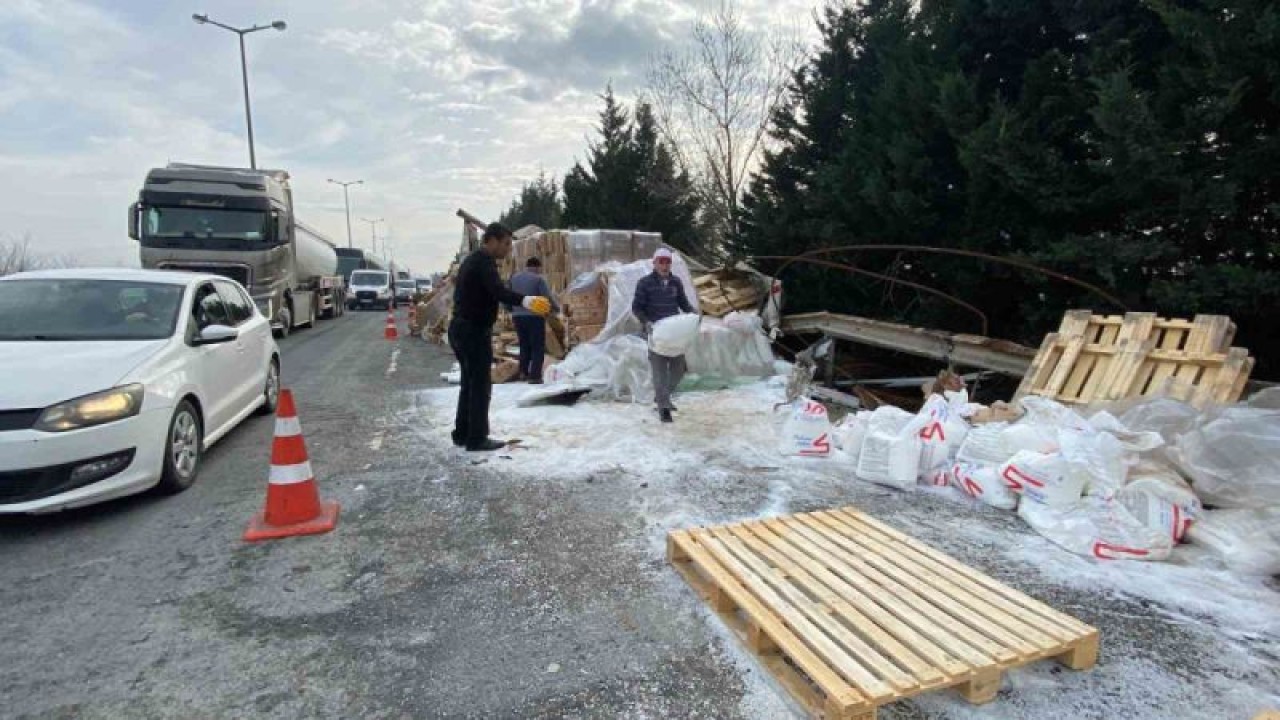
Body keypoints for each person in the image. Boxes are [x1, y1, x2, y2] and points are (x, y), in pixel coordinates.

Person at [449, 223, 551, 451]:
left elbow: (494, 292)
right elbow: (498, 291)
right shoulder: (484, 262)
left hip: (460, 328)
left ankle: (462, 433)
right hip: (473, 331)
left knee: (469, 383)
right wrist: (527, 301)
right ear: (492, 241)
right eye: (506, 244)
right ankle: (476, 438)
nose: (508, 249)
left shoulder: (472, 260)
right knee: (480, 386)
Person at [631, 247, 695, 423]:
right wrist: (647, 322)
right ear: (655, 263)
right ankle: (664, 409)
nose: (664, 265)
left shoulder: (676, 282)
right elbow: (636, 308)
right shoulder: (644, 283)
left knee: (678, 369)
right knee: (659, 372)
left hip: (674, 333)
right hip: (656, 334)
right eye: (661, 261)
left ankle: (662, 397)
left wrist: (693, 314)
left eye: (667, 262)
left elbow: (683, 303)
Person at [507, 257, 560, 383]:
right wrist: (556, 309)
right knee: (537, 346)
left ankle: (523, 373)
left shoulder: (514, 278)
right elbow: (547, 297)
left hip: (518, 317)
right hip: (534, 317)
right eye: (539, 269)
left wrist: (511, 310)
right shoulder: (538, 279)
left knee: (524, 344)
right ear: (537, 267)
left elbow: (507, 296)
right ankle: (535, 376)